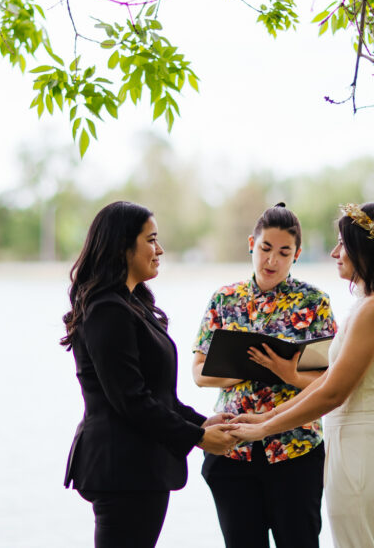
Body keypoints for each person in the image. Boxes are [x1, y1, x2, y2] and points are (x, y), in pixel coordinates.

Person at [230, 200, 374, 548]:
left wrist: (264, 429)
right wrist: (262, 417)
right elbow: (328, 382)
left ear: (365, 247)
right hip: (354, 444)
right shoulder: (371, 303)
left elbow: (333, 394)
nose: (334, 252)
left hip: (362, 450)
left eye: (342, 243)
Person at [62, 201, 238, 548]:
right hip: (121, 469)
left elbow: (159, 395)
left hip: (139, 466)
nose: (160, 249)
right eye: (151, 239)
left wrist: (204, 423)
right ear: (123, 246)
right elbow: (130, 400)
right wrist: (197, 438)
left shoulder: (132, 304)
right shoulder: (107, 310)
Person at [191, 203, 336, 548]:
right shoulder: (224, 300)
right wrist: (241, 370)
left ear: (296, 255)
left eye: (283, 252)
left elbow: (330, 384)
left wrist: (286, 372)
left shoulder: (315, 303)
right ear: (251, 244)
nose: (272, 260)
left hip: (296, 451)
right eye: (265, 249)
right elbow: (198, 373)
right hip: (232, 450)